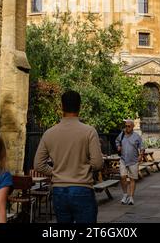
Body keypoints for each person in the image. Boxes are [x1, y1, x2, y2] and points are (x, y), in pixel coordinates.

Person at [34, 90, 103, 223]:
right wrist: (84, 169)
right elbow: (98, 163)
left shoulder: (49, 133)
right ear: (80, 107)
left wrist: (55, 172)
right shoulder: (89, 131)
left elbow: (38, 164)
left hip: (59, 190)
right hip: (83, 188)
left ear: (61, 107)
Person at [115, 119, 143, 205]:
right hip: (123, 159)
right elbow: (117, 141)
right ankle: (125, 194)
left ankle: (131, 197)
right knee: (122, 177)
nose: (127, 128)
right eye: (126, 126)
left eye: (128, 126)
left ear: (133, 127)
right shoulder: (122, 134)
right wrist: (118, 146)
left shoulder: (137, 136)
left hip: (133, 161)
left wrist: (141, 155)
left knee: (132, 179)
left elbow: (142, 147)